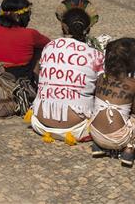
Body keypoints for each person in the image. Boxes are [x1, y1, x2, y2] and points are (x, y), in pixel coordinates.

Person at [30, 7, 104, 142]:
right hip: (76, 129)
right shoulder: (96, 55)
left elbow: (36, 73)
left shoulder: (49, 47)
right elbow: (100, 89)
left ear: (63, 26)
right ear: (88, 29)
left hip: (39, 124)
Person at [90, 38, 135, 167]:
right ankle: (129, 149)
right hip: (117, 140)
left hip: (95, 132)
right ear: (131, 62)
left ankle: (99, 145)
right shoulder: (133, 84)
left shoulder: (100, 78)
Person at [0, 0, 50, 80]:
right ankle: (36, 84)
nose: (29, 18)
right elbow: (49, 44)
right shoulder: (30, 34)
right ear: (17, 17)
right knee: (39, 49)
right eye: (28, 14)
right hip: (17, 80)